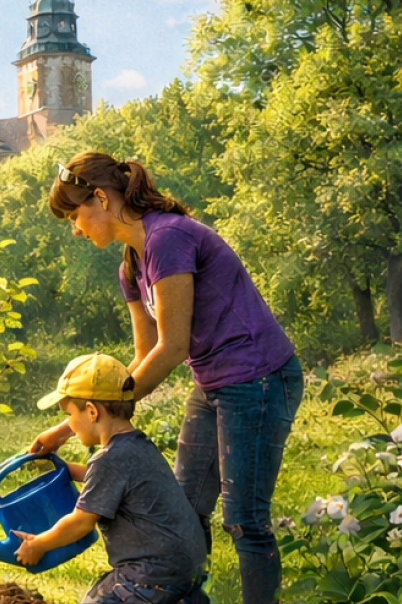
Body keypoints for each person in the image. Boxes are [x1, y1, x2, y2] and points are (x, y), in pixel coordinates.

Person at [33, 152, 301, 604]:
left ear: (100, 197)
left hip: (258, 377)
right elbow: (143, 356)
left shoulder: (167, 238)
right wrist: (70, 425)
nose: (76, 229)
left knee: (244, 518)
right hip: (213, 382)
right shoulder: (131, 266)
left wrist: (83, 420)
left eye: (75, 215)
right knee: (185, 508)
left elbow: (172, 348)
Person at [13, 353, 209, 604]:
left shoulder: (108, 459)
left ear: (92, 412)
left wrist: (38, 545)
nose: (69, 425)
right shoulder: (137, 445)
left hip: (152, 574)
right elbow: (111, 483)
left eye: (69, 414)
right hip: (186, 569)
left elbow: (80, 523)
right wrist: (63, 469)